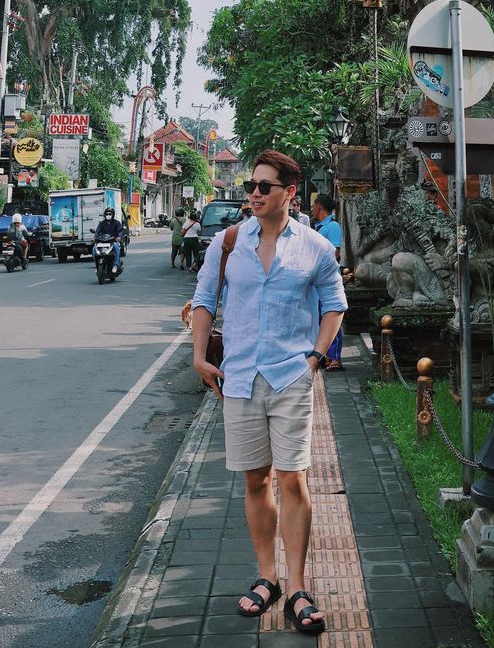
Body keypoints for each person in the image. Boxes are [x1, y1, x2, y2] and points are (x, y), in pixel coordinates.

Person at [192, 150, 346, 635]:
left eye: (264, 187)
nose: (254, 194)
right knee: (255, 481)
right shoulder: (228, 241)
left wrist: (316, 358)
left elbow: (334, 306)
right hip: (238, 380)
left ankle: (297, 587)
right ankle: (267, 578)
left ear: (289, 193)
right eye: (250, 186)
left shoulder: (315, 247)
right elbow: (203, 300)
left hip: (289, 379)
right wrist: (199, 355)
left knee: (293, 480)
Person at [312, 194, 345, 371]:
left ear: (319, 206)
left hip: (328, 279)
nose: (311, 208)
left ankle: (335, 358)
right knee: (319, 317)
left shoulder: (332, 226)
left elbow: (335, 253)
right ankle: (324, 355)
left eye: (313, 205)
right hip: (316, 281)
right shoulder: (319, 227)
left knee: (331, 316)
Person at [93, 207, 123, 274]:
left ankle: (115, 265)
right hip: (103, 241)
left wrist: (119, 237)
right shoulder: (101, 223)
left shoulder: (117, 223)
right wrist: (95, 237)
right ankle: (96, 266)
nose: (108, 215)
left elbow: (120, 231)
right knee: (94, 249)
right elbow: (97, 231)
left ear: (113, 215)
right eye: (107, 214)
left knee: (116, 247)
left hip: (113, 241)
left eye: (110, 214)